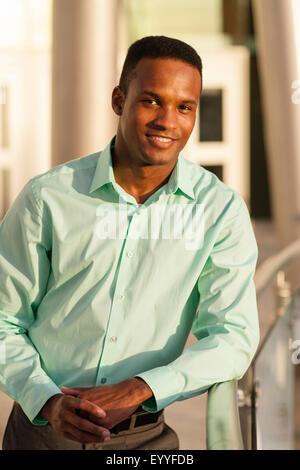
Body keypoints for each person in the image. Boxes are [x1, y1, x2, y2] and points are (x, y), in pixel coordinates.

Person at [0, 35, 259, 450]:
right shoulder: (46, 198)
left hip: (146, 440)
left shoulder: (220, 211)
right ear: (119, 100)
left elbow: (233, 337)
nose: (167, 121)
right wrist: (47, 401)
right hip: (41, 435)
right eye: (151, 101)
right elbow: (3, 320)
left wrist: (142, 387)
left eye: (184, 107)